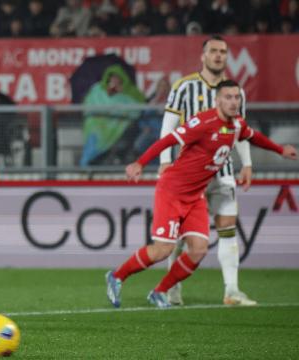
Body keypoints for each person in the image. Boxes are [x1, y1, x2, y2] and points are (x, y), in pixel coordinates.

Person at [105, 80, 297, 309]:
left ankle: (160, 291)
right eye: (228, 97)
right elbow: (169, 139)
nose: (234, 102)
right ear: (217, 100)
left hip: (196, 195)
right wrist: (140, 163)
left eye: (237, 97)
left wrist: (280, 149)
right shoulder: (203, 122)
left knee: (198, 249)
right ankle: (116, 276)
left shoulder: (237, 125)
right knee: (162, 250)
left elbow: (253, 136)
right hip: (172, 191)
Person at [159, 35, 256, 306]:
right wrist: (165, 161)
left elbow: (241, 131)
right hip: (188, 174)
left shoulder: (236, 92)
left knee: (227, 228)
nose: (218, 56)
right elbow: (167, 128)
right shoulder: (183, 87)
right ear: (202, 56)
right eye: (213, 51)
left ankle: (232, 290)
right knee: (179, 234)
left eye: (223, 51)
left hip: (222, 170)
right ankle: (172, 286)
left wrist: (246, 163)